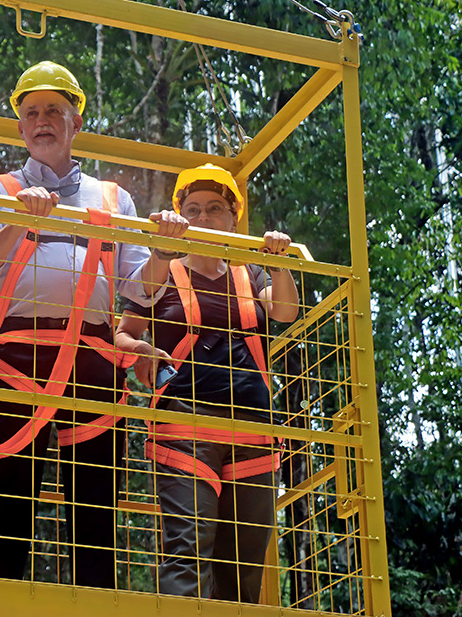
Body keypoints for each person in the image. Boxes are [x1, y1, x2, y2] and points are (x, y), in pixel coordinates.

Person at [0, 61, 189, 588]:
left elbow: (141, 288)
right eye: (32, 112)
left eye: (54, 111)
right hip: (20, 360)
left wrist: (164, 251)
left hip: (95, 364)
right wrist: (20, 217)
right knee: (10, 505)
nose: (42, 121)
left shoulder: (113, 199)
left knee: (95, 512)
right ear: (19, 127)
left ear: (75, 122)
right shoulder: (0, 188)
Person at [114, 163, 299, 601]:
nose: (202, 217)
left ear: (233, 217)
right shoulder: (163, 270)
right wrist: (141, 351)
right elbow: (123, 333)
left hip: (252, 427)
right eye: (192, 208)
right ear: (180, 214)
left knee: (245, 560)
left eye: (215, 208)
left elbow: (285, 311)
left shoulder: (249, 275)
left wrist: (277, 264)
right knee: (187, 547)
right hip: (185, 424)